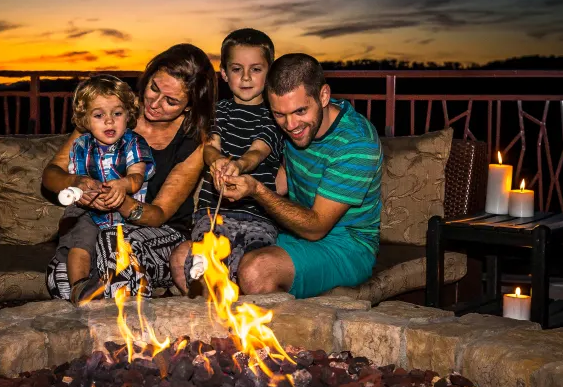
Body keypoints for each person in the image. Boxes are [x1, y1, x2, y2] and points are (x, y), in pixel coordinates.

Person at [42, 43, 216, 301]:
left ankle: (130, 324)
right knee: (61, 279)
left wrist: (120, 200)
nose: (154, 103)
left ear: (189, 106)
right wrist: (77, 182)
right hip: (95, 224)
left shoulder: (192, 141)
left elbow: (158, 214)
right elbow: (51, 174)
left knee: (114, 243)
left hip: (160, 234)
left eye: (171, 101)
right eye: (154, 88)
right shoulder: (111, 109)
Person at [220, 53, 383, 299]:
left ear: (324, 96)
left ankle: (287, 325)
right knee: (207, 258)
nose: (290, 124)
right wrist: (235, 181)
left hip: (348, 245)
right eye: (279, 114)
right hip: (294, 232)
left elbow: (316, 228)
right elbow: (286, 176)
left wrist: (256, 190)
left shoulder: (357, 143)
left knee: (256, 272)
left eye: (300, 111)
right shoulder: (299, 123)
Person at [170, 28, 282, 292]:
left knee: (252, 261)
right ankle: (208, 297)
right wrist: (217, 160)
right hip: (213, 212)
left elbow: (258, 151)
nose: (246, 77)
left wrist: (239, 165)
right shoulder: (218, 111)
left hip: (258, 215)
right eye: (236, 69)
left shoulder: (275, 114)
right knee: (195, 254)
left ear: (269, 73)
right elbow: (210, 147)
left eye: (256, 69)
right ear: (224, 74)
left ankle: (238, 303)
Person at [45, 74, 155, 301]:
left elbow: (137, 176)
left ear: (129, 115)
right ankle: (79, 288)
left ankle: (121, 290)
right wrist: (80, 189)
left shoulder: (133, 142)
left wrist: (123, 185)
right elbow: (75, 177)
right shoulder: (80, 145)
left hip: (124, 215)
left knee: (118, 248)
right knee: (80, 242)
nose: (109, 121)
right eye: (98, 115)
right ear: (85, 120)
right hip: (87, 210)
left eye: (117, 113)